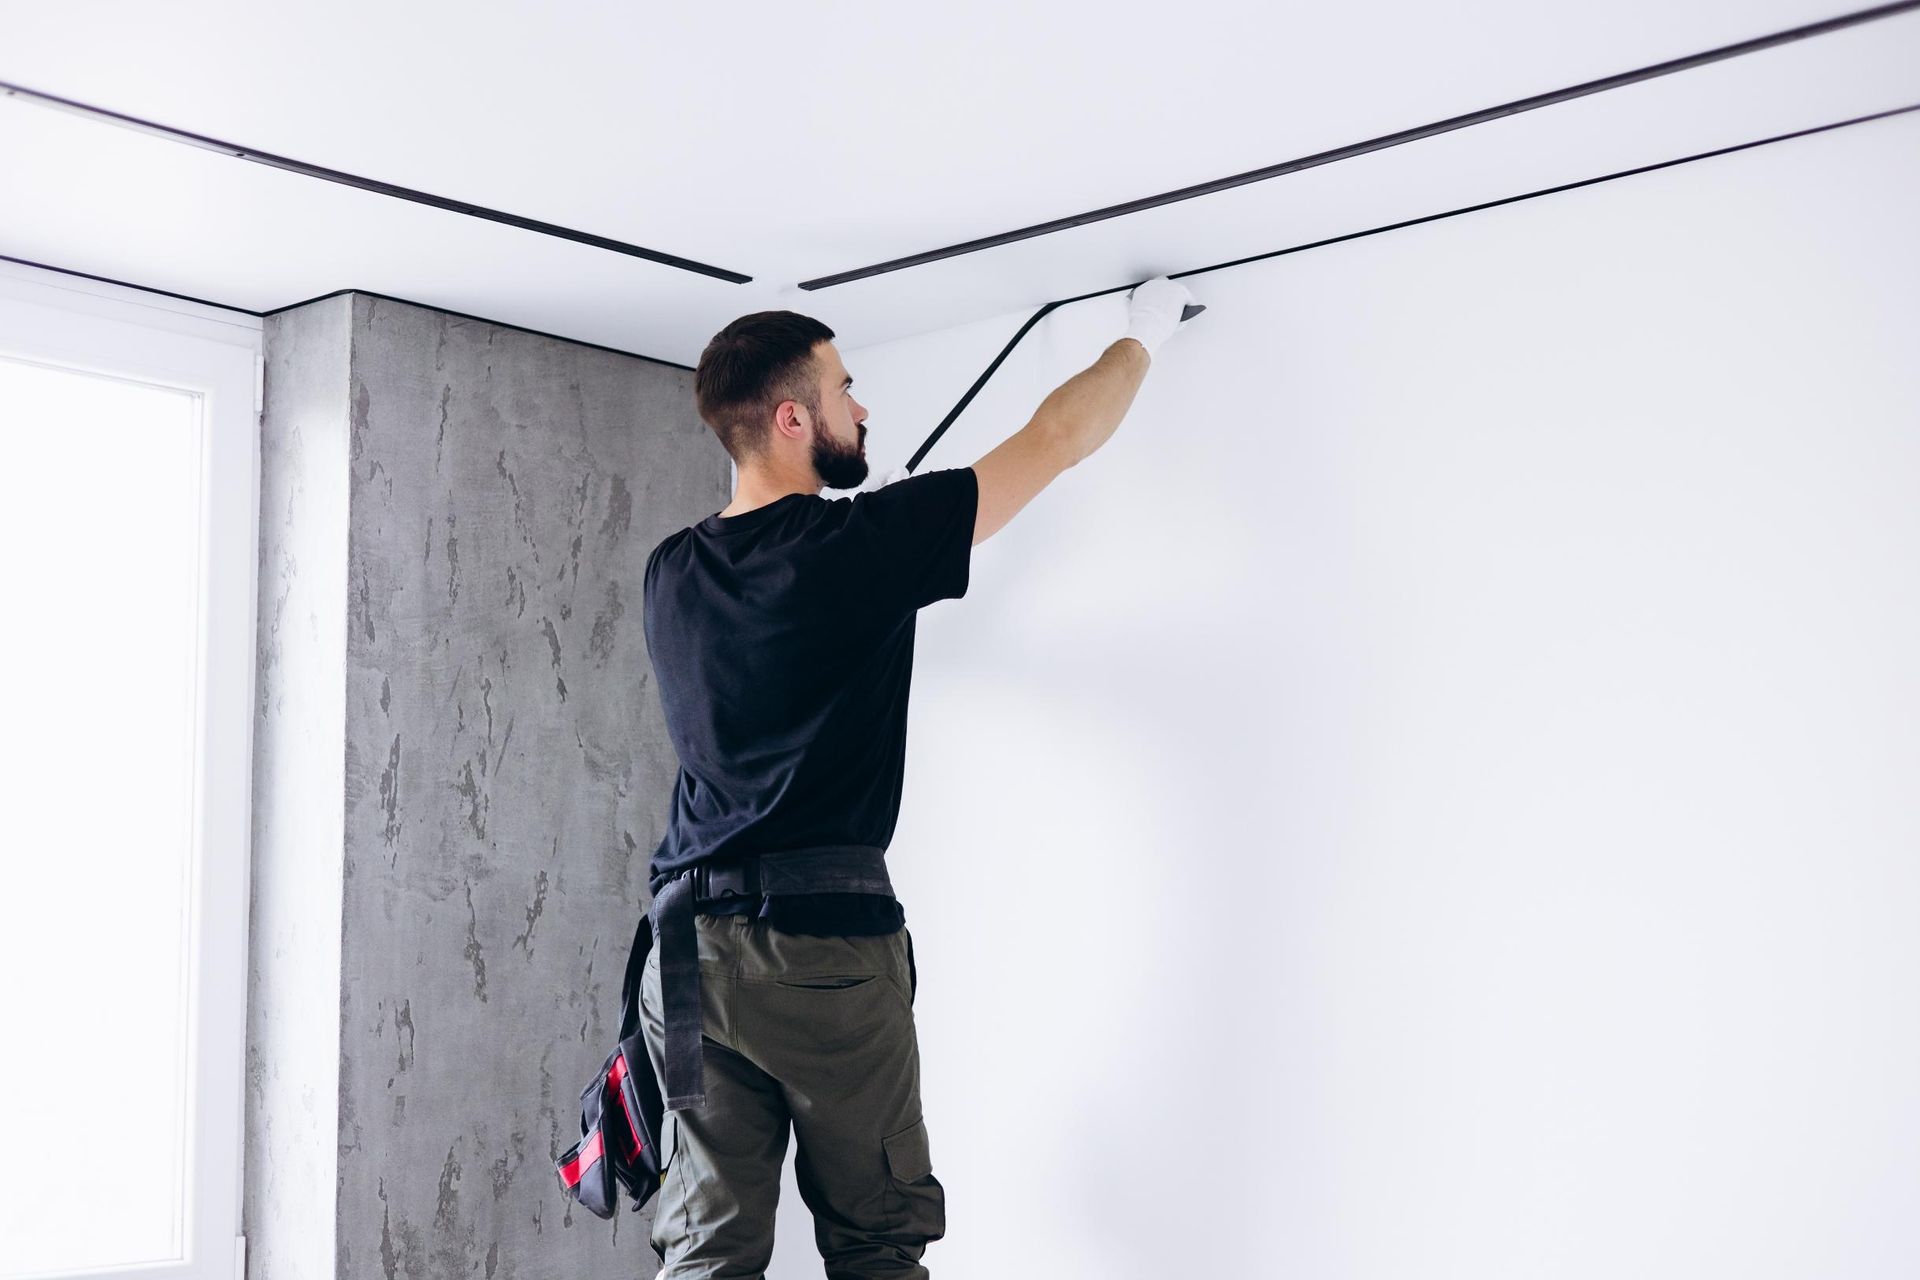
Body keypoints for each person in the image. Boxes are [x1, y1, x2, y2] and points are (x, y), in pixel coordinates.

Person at [636, 275, 1203, 1277]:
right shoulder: (857, 551)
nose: (865, 408)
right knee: (876, 1241)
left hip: (684, 960)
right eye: (847, 388)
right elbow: (1059, 438)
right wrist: (1141, 337)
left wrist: (877, 526)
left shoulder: (672, 569)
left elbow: (783, 609)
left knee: (705, 1254)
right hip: (823, 955)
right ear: (792, 415)